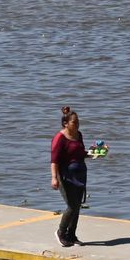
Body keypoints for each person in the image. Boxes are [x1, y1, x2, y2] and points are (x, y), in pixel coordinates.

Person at [50, 105, 88, 247]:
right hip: (65, 176)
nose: (77, 124)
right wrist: (54, 178)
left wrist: (96, 153)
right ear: (66, 123)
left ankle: (72, 235)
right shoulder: (59, 138)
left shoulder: (79, 135)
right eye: (74, 122)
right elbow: (54, 160)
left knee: (77, 206)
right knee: (71, 206)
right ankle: (61, 232)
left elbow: (80, 153)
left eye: (78, 122)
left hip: (80, 174)